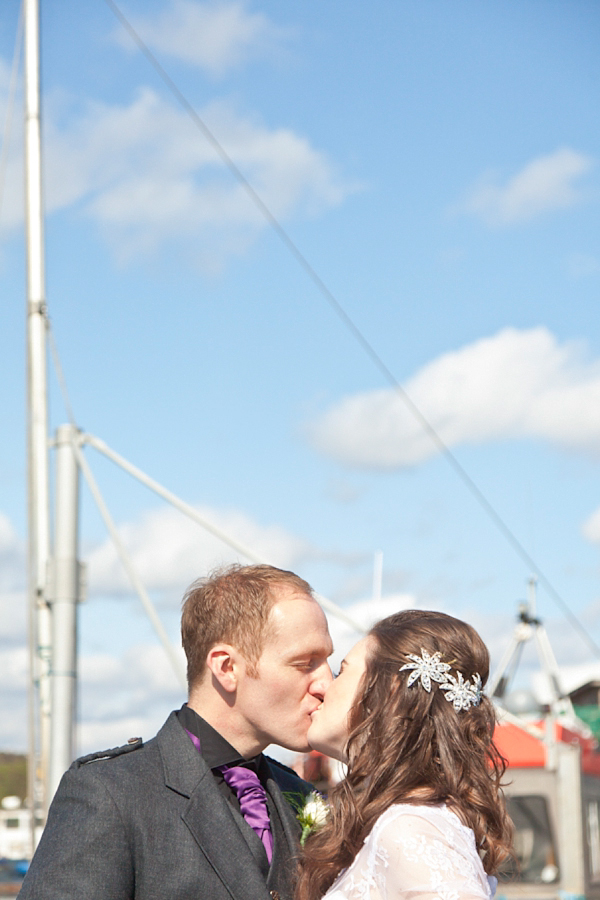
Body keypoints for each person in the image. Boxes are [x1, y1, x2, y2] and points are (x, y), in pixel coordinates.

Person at [19, 564, 334, 900]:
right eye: (305, 662)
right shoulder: (111, 794)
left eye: (327, 661)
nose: (326, 683)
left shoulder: (300, 795)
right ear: (227, 668)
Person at [298, 609, 513, 900]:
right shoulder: (419, 818)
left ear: (391, 692)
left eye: (342, 671)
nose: (323, 686)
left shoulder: (410, 828)